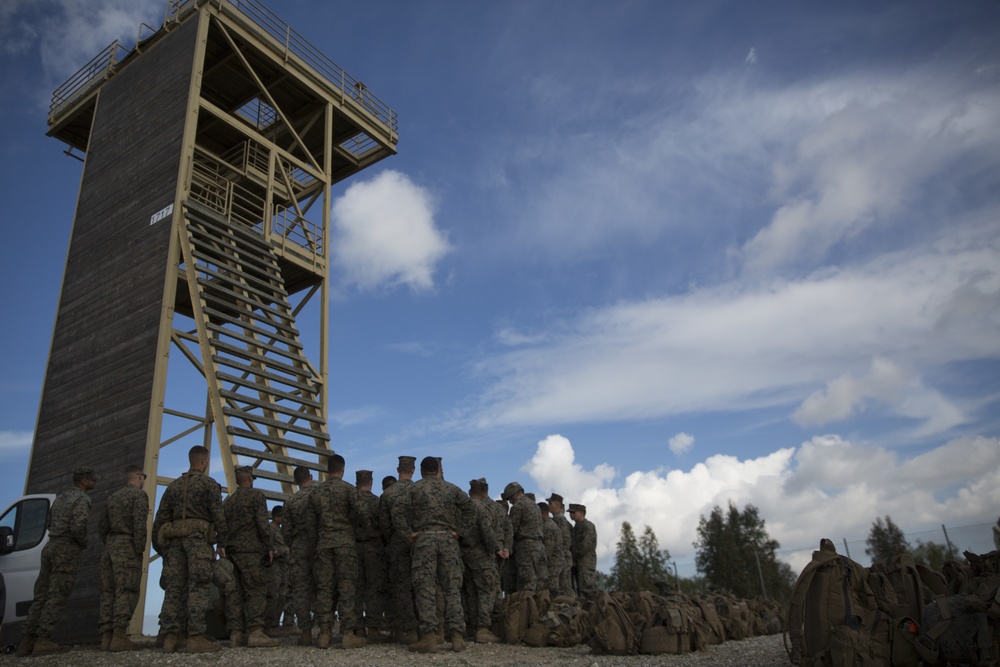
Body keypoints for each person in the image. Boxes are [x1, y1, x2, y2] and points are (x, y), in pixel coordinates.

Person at [392, 456, 472, 653]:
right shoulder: (451, 489)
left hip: (424, 539)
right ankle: (457, 637)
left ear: (421, 471)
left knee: (425, 588)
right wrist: (459, 531)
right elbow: (471, 509)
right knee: (452, 588)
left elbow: (397, 510)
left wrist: (407, 533)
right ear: (437, 469)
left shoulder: (414, 488)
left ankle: (429, 636)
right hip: (448, 540)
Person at [152, 445, 228, 653]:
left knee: (174, 589)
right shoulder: (209, 485)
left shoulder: (173, 487)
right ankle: (195, 636)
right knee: (199, 587)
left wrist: (161, 549)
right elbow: (218, 517)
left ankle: (169, 636)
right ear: (204, 462)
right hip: (198, 542)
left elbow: (160, 520)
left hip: (175, 542)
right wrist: (222, 543)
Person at [17, 466, 97, 657]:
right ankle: (43, 640)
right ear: (84, 481)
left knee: (41, 594)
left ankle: (27, 641)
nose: (96, 481)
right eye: (93, 479)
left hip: (51, 546)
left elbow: (48, 523)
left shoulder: (60, 498)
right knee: (57, 594)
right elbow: (79, 526)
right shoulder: (82, 499)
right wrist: (82, 542)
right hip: (66, 549)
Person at [310, 454, 367, 649]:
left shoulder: (316, 493)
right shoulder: (349, 490)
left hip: (324, 544)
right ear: (343, 469)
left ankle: (324, 633)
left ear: (327, 469)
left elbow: (311, 522)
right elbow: (362, 514)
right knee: (347, 588)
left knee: (324, 589)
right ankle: (348, 633)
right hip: (344, 544)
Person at [221, 466, 278, 648]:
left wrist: (221, 546)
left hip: (231, 552)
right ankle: (255, 632)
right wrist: (269, 546)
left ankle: (235, 634)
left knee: (234, 593)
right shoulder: (257, 497)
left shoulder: (228, 502)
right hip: (251, 552)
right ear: (250, 479)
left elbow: (221, 527)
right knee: (255, 590)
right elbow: (263, 524)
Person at [98, 464, 149, 652]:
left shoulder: (112, 497)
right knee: (126, 589)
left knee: (108, 591)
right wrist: (139, 549)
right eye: (144, 476)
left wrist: (111, 543)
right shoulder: (139, 496)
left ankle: (106, 637)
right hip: (127, 546)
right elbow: (139, 525)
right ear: (139, 476)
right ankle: (119, 636)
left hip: (110, 546)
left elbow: (102, 526)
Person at [377, 455, 418, 643]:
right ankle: (429, 627)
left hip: (397, 543)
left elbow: (384, 524)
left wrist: (394, 537)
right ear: (413, 470)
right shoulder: (420, 489)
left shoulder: (388, 494)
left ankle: (407, 629)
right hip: (419, 542)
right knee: (423, 585)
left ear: (397, 469)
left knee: (401, 587)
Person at [462, 479, 504, 643]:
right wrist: (495, 548)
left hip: (466, 555)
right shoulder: (481, 508)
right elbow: (486, 531)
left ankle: (472, 627)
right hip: (481, 555)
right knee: (487, 591)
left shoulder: (463, 508)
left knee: (471, 592)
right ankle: (483, 629)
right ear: (485, 492)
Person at [282, 466, 318, 645]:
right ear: (310, 477)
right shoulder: (319, 496)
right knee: (324, 587)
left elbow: (286, 532)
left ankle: (305, 632)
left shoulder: (290, 502)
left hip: (299, 547)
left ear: (295, 481)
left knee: (301, 590)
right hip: (320, 545)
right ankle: (326, 628)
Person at [355, 470, 388, 641]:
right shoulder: (377, 502)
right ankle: (374, 629)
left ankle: (358, 628)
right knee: (374, 588)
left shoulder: (351, 501)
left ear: (356, 482)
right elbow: (385, 526)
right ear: (371, 482)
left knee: (356, 589)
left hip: (354, 549)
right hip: (374, 548)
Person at [503, 482, 545, 592]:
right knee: (539, 583)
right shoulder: (535, 506)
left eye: (510, 499)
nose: (510, 502)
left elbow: (512, 530)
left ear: (515, 495)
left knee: (526, 583)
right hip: (540, 546)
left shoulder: (518, 507)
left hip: (525, 548)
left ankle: (528, 608)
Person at [264, 505, 290, 636]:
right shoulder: (269, 530)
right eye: (282, 516)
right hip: (274, 566)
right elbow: (270, 548)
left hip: (283, 565)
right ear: (276, 517)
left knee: (282, 595)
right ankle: (268, 625)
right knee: (273, 595)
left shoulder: (280, 530)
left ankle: (274, 624)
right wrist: (283, 551)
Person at [547, 493, 575, 597]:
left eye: (551, 503)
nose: (548, 505)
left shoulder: (560, 519)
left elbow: (566, 540)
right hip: (561, 557)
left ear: (557, 505)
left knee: (563, 588)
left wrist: (559, 554)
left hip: (561, 557)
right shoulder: (556, 519)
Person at [570, 503, 597, 600]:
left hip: (586, 563)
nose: (571, 515)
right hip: (578, 563)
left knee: (587, 590)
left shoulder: (588, 526)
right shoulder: (576, 527)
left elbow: (585, 546)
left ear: (581, 513)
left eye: (573, 512)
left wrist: (574, 557)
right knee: (580, 591)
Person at [539, 502, 561, 594]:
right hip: (554, 562)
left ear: (543, 512)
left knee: (552, 589)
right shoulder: (550, 524)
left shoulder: (548, 527)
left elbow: (548, 550)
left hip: (552, 564)